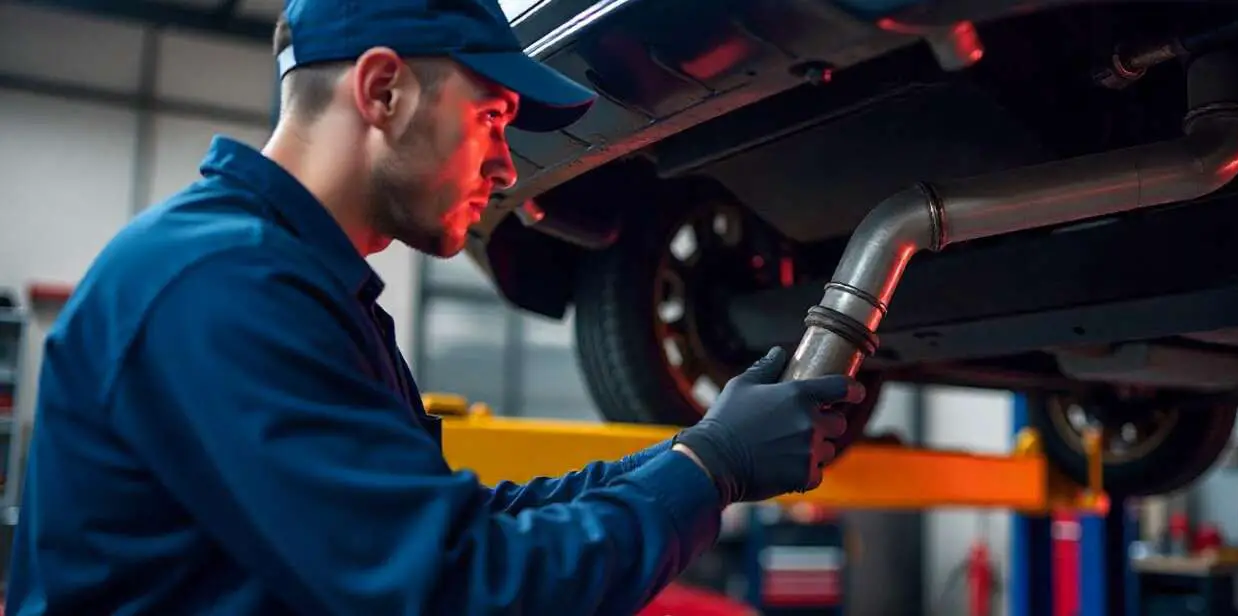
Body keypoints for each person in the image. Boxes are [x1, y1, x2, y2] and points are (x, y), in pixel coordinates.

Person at [3, 0, 864, 614]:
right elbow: (455, 587)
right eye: (491, 118)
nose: (504, 168)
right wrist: (711, 470)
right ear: (382, 92)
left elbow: (458, 525)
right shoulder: (221, 288)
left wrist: (696, 450)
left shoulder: (287, 281)